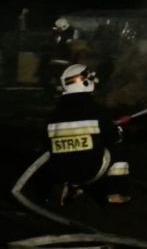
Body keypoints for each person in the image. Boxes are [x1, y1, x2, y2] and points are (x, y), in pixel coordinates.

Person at [45, 64, 130, 205]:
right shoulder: (96, 110)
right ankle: (116, 192)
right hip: (90, 171)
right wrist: (116, 128)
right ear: (84, 82)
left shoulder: (54, 114)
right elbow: (112, 137)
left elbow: (47, 143)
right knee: (118, 149)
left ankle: (69, 188)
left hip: (62, 173)